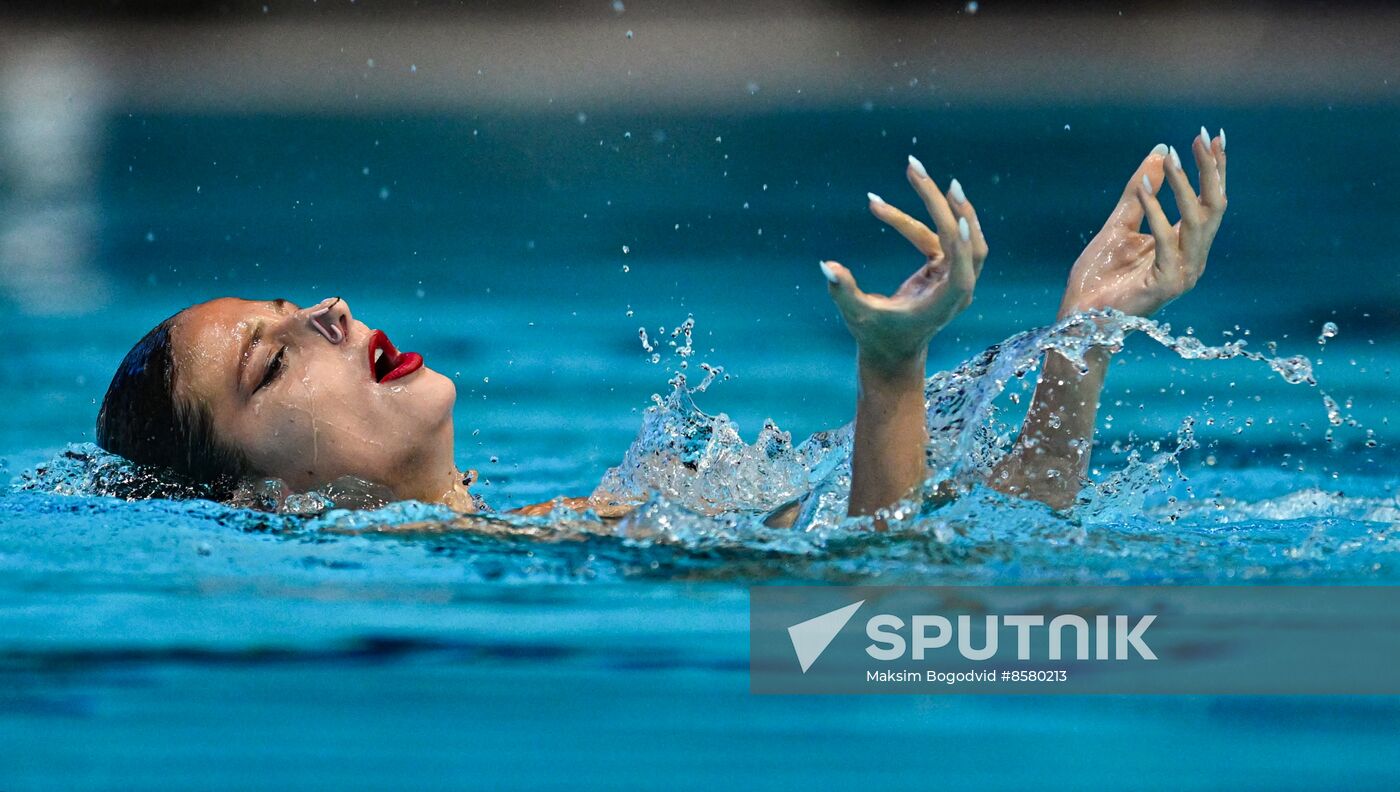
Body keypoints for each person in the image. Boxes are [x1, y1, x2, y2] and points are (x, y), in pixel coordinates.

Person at [96, 129, 1227, 528]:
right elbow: (892, 617)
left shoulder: (581, 521)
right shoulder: (516, 578)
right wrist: (890, 372)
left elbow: (995, 542)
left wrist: (1083, 339)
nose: (329, 312)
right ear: (256, 499)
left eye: (304, 305)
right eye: (276, 355)